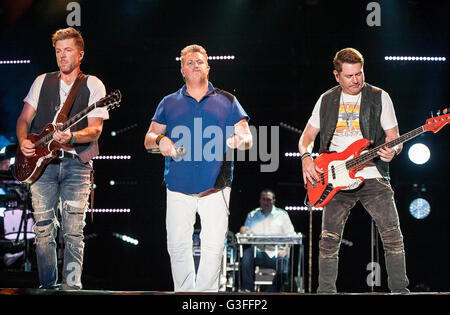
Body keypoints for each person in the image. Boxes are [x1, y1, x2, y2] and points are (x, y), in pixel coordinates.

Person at [298, 48, 409, 293]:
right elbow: (306, 138)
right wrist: (306, 158)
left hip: (372, 174)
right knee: (328, 240)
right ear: (337, 75)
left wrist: (395, 150)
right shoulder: (326, 99)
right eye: (349, 76)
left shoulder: (380, 96)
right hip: (335, 177)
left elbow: (394, 138)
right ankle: (325, 291)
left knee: (392, 236)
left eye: (359, 73)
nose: (356, 80)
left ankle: (401, 291)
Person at [144, 44, 252, 292]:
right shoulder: (168, 102)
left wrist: (240, 141)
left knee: (213, 248)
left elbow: (248, 138)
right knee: (177, 247)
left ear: (208, 67)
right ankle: (184, 295)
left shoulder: (228, 100)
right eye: (189, 62)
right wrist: (161, 140)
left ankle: (205, 299)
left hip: (216, 188)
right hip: (178, 187)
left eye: (199, 61)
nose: (194, 65)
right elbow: (148, 138)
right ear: (182, 69)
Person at [16, 27, 109, 290]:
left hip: (76, 164)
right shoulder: (42, 81)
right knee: (43, 229)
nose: (62, 56)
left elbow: (95, 129)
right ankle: (47, 286)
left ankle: (71, 287)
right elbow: (24, 119)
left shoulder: (93, 84)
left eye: (68, 50)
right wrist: (24, 139)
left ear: (80, 54)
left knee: (73, 231)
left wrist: (72, 137)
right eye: (58, 51)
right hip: (42, 166)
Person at [239, 189, 296, 292]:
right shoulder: (252, 215)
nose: (266, 202)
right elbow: (245, 234)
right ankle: (248, 290)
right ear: (260, 200)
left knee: (283, 267)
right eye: (263, 199)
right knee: (247, 254)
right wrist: (243, 231)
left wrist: (286, 249)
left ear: (273, 200)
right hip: (258, 252)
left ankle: (270, 292)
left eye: (268, 200)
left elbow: (292, 235)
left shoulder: (282, 215)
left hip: (276, 252)